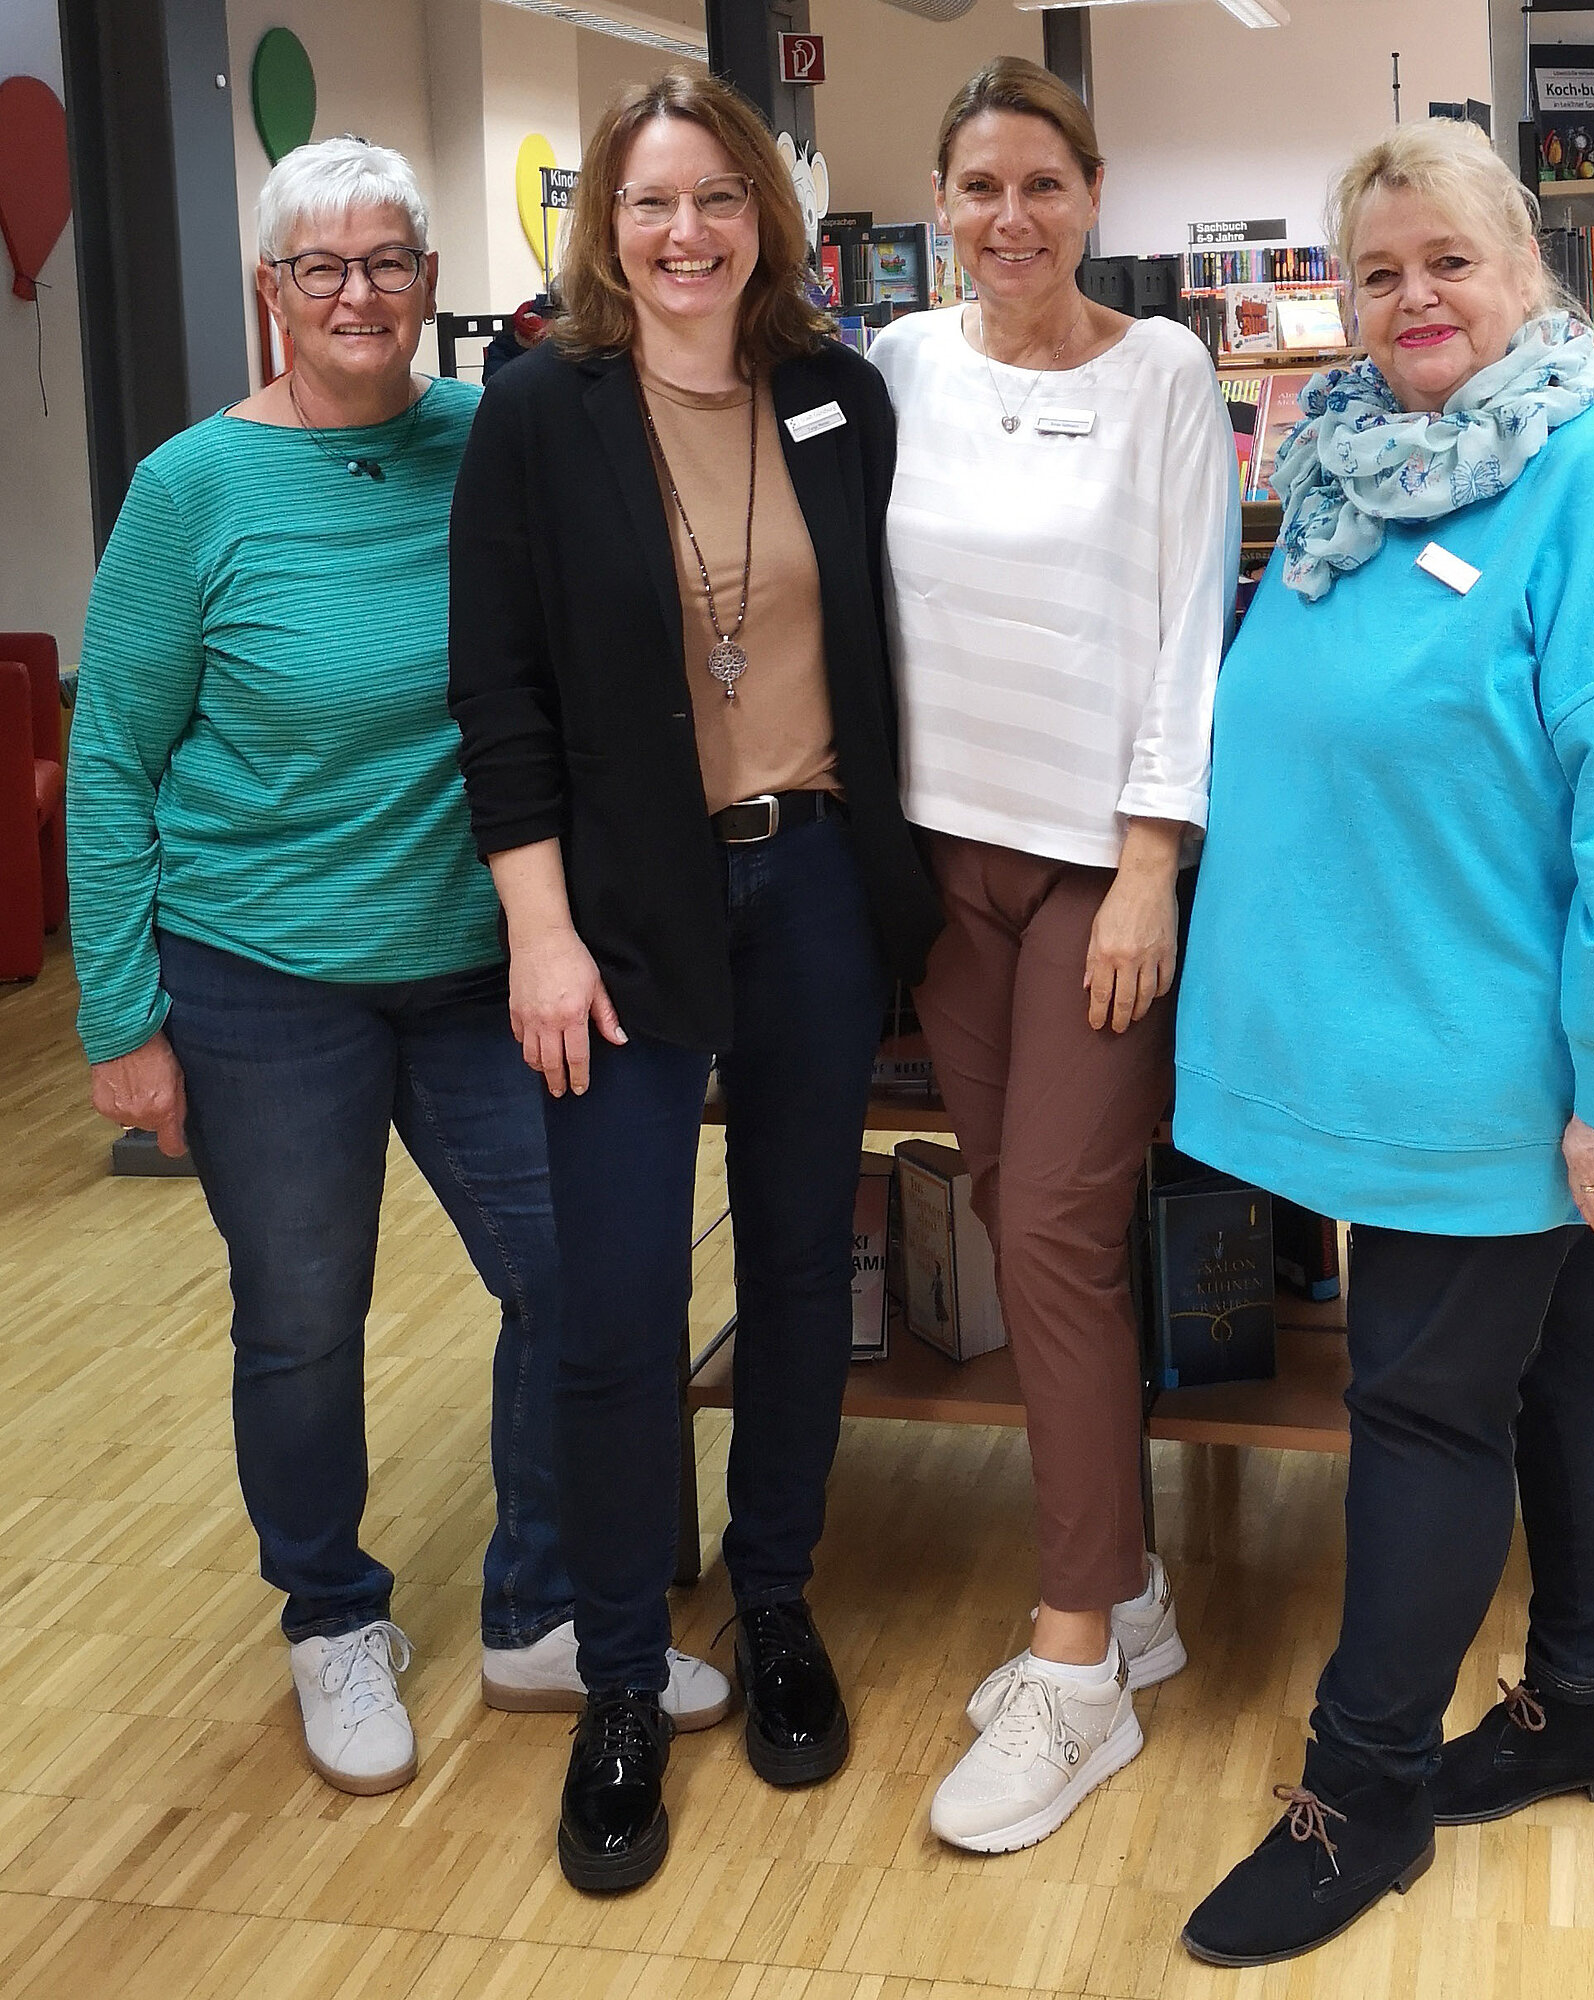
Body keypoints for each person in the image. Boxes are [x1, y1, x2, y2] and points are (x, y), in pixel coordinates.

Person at [64, 135, 729, 1800]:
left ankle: (543, 1612)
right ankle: (331, 1616)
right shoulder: (190, 490)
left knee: (575, 1277)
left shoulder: (496, 439)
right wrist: (121, 1017)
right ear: (273, 294)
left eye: (387, 263)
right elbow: (115, 762)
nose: (357, 295)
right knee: (300, 1318)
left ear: (434, 285)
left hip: (489, 966)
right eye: (320, 269)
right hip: (259, 973)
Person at [1173, 119, 1594, 1966]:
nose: (1414, 298)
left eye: (1451, 262)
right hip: (1390, 1036)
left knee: (1420, 1408)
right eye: (1380, 268)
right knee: (1570, 1360)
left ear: (1529, 276)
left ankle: (1371, 1792)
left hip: (1495, 1068)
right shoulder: (1354, 465)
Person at [447, 73, 940, 1894]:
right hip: (620, 916)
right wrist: (540, 928)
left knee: (808, 1256)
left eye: (715, 201)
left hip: (811, 881)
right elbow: (497, 696)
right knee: (618, 1289)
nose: (684, 235)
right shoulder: (538, 416)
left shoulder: (838, 395)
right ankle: (619, 1682)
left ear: (765, 217)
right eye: (651, 205)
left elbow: (896, 635)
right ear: (608, 228)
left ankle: (783, 1601)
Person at [870, 57, 1239, 1856]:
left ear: (1093, 193)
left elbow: (1192, 623)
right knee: (1025, 1224)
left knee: (1052, 1235)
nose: (1008, 217)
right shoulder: (899, 370)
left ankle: (1078, 1665)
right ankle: (1139, 1590)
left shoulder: (1166, 371)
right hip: (947, 868)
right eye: (977, 186)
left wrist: (1157, 862)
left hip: (1098, 874)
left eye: (1041, 183)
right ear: (939, 201)